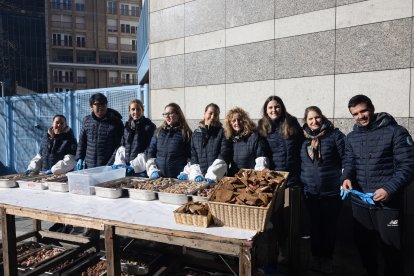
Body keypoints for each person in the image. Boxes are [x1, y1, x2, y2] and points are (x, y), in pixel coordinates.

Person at [341, 95, 414, 276]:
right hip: (360, 203)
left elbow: (409, 165)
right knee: (364, 245)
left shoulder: (396, 132)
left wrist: (389, 189)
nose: (360, 116)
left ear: (372, 108)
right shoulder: (351, 137)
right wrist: (346, 178)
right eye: (355, 114)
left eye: (363, 111)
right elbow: (349, 163)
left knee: (392, 249)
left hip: (387, 205)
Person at [258, 96, 303, 264]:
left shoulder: (291, 123)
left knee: (292, 217)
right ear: (266, 110)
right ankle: (280, 249)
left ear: (282, 108)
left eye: (276, 107)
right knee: (277, 218)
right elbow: (262, 151)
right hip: (275, 179)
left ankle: (293, 252)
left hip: (294, 177)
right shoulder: (263, 126)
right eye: (270, 108)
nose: (273, 110)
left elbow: (301, 146)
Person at [300, 106, 345, 274]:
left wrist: (344, 179)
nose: (314, 121)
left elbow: (346, 158)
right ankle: (315, 257)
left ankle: (327, 259)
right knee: (315, 226)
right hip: (310, 191)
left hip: (331, 191)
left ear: (322, 117)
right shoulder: (303, 139)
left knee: (329, 227)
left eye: (317, 117)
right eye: (310, 119)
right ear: (306, 121)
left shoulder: (335, 136)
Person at [180, 103, 231, 183]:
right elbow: (193, 157)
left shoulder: (223, 133)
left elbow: (224, 155)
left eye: (216, 115)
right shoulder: (196, 134)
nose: (212, 117)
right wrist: (195, 174)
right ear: (204, 114)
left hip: (217, 179)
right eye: (210, 113)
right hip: (199, 180)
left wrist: (212, 175)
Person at [75, 93, 124, 169]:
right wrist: (80, 158)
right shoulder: (86, 121)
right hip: (89, 166)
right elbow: (82, 142)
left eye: (103, 104)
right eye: (97, 104)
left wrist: (109, 165)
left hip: (108, 167)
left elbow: (119, 146)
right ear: (91, 106)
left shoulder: (116, 123)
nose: (101, 107)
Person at [146, 103, 192, 178]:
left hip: (178, 179)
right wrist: (152, 170)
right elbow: (151, 152)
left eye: (170, 113)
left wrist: (186, 173)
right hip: (159, 178)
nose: (167, 116)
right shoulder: (158, 132)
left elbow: (191, 157)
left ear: (178, 114)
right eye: (165, 114)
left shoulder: (186, 133)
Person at [112, 99, 156, 176]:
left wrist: (134, 165)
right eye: (133, 109)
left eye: (138, 109)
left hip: (141, 169)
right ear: (129, 111)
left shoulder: (149, 126)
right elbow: (122, 145)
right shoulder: (127, 126)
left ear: (143, 110)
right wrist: (119, 162)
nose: (136, 112)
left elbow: (150, 149)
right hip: (125, 168)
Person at [223, 107, 268, 176]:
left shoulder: (254, 136)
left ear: (244, 121)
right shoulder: (230, 138)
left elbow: (261, 157)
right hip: (235, 176)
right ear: (230, 123)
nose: (237, 123)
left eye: (239, 120)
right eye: (233, 121)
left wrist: (259, 175)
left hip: (251, 177)